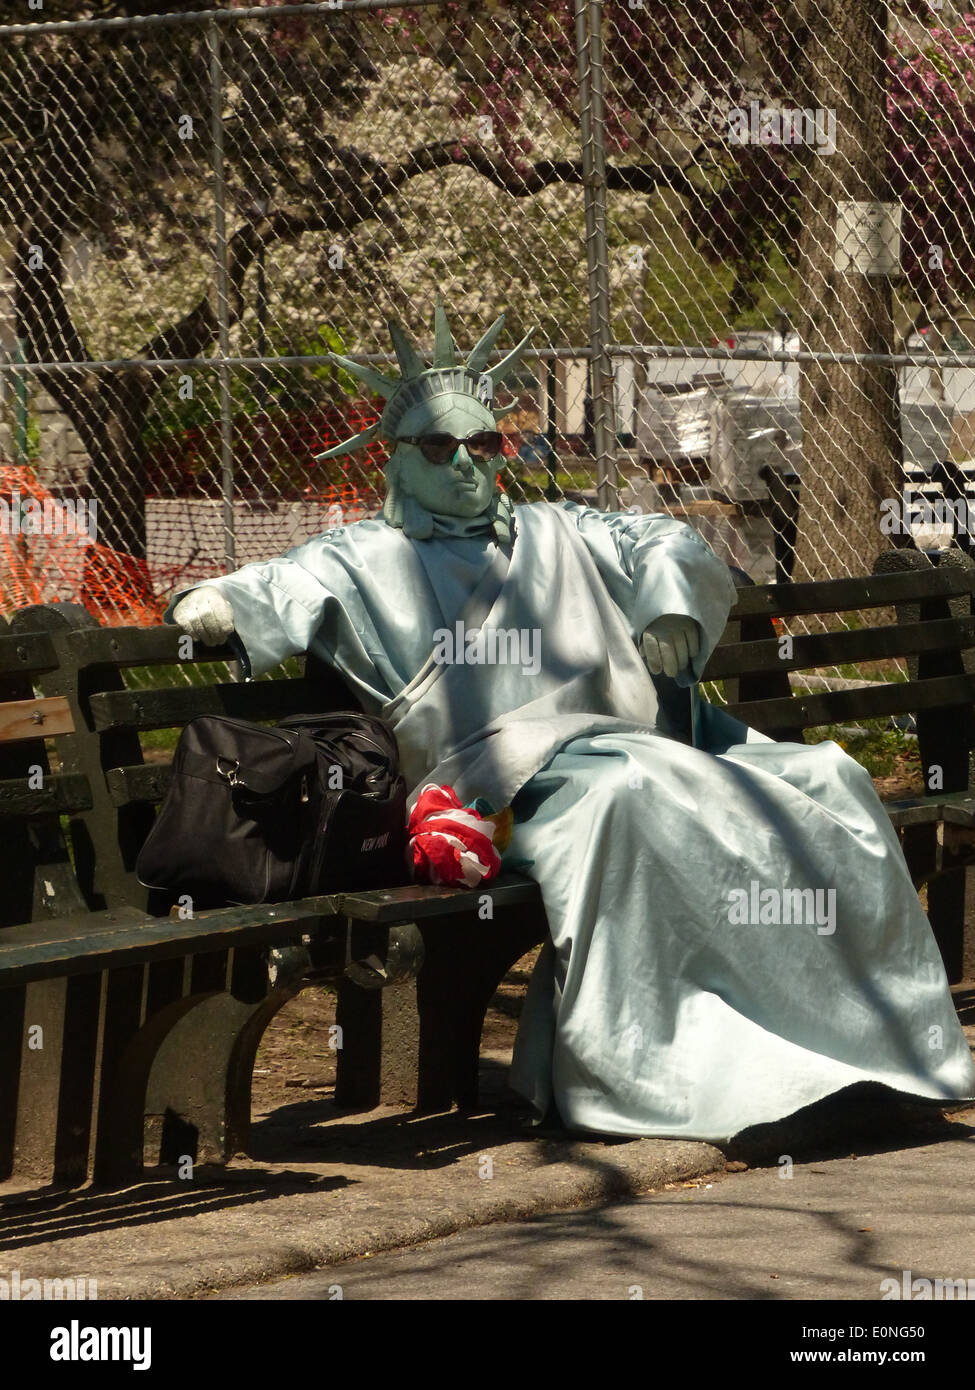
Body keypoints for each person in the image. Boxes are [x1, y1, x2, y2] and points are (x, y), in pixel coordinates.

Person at [169, 302, 974, 1143]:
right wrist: (218, 601)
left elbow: (662, 541)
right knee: (634, 794)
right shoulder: (364, 554)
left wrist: (667, 609)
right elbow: (281, 585)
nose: (466, 464)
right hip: (494, 786)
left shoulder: (561, 531)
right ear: (398, 461)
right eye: (440, 448)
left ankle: (866, 1051)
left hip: (618, 748)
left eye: (484, 444)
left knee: (828, 777)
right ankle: (686, 1070)